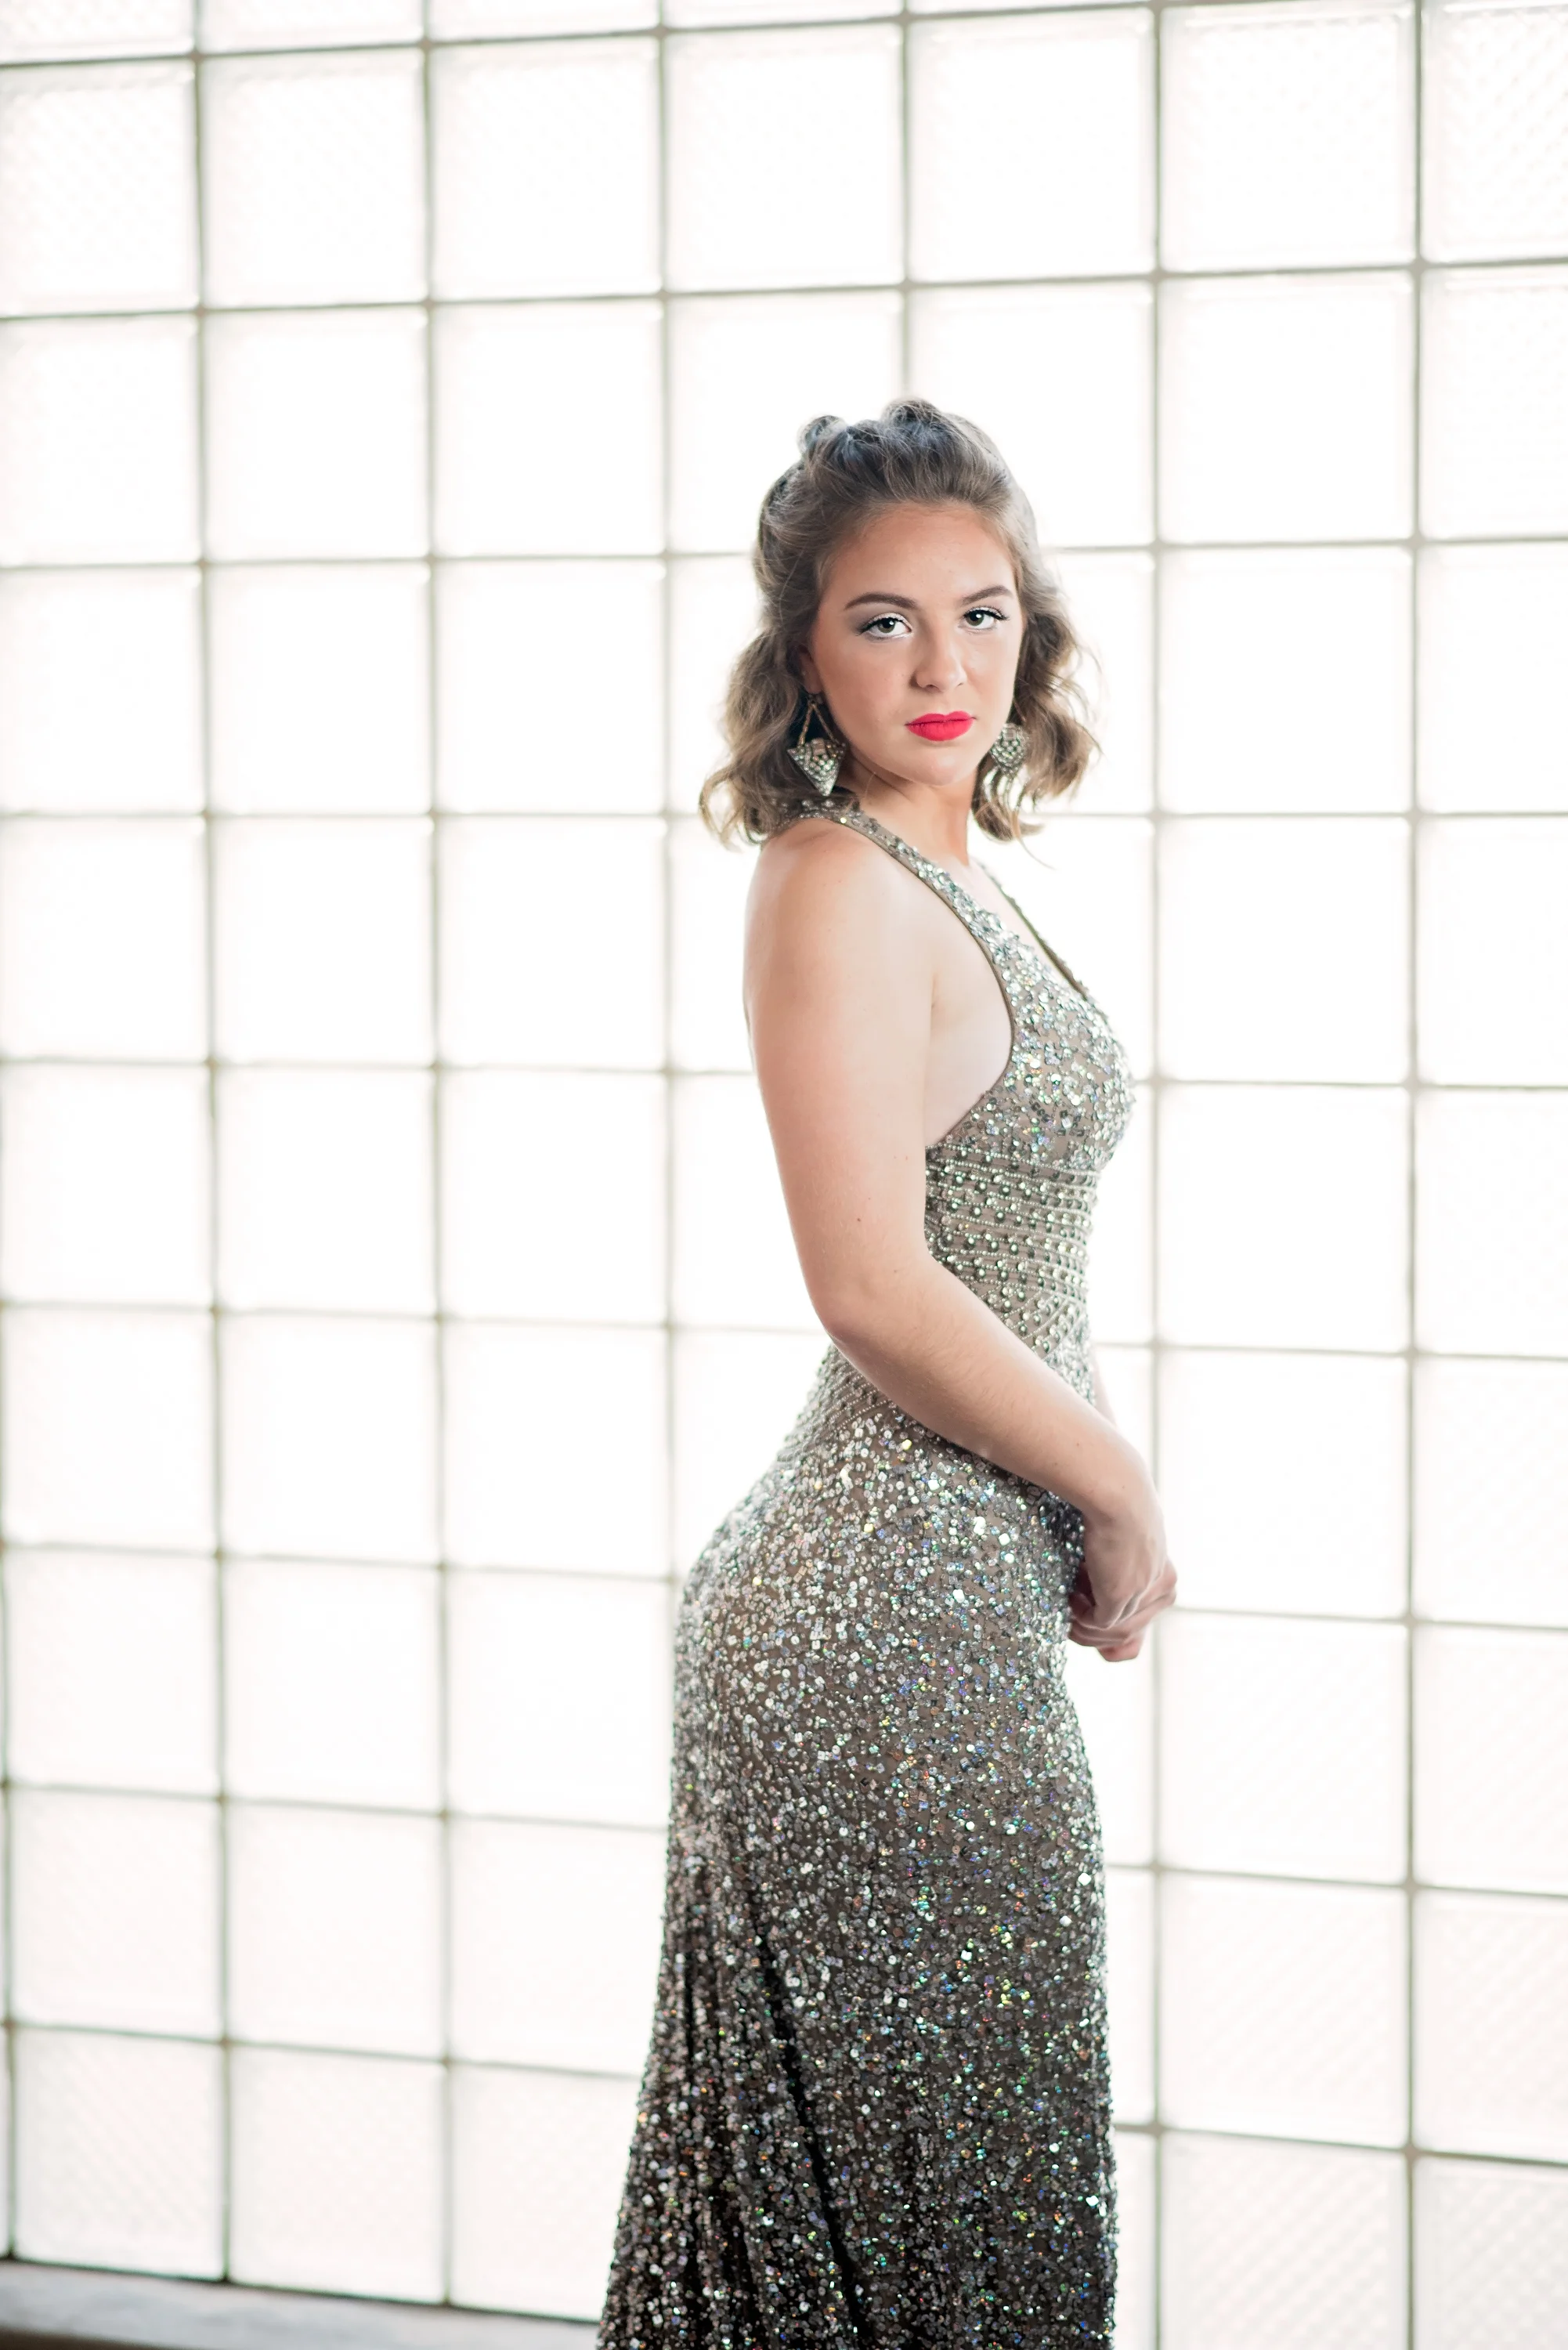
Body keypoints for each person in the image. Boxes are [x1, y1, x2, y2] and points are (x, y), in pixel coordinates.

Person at [601, 400, 1176, 2350]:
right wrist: (1114, 1483)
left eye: (979, 613)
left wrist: (1083, 1486)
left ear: (1029, 632)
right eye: (881, 621)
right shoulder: (833, 877)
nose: (943, 663)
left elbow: (984, 1259)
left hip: (942, 1603)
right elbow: (866, 1284)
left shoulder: (952, 874)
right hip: (865, 1625)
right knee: (936, 2221)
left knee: (971, 2202)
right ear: (802, 653)